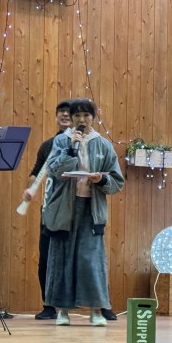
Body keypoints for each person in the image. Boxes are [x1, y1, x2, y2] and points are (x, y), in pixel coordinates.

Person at [43, 99, 124, 326]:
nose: (81, 120)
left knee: (91, 260)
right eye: (77, 115)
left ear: (93, 117)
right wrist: (70, 149)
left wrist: (101, 179)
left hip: (91, 208)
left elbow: (117, 181)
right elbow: (54, 170)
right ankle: (62, 311)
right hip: (64, 209)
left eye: (86, 115)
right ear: (71, 118)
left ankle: (96, 311)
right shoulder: (61, 140)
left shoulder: (103, 144)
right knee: (62, 258)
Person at [22, 100, 74, 320]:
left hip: (77, 209)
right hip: (51, 209)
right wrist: (31, 188)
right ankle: (49, 305)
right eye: (61, 112)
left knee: (84, 257)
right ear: (56, 116)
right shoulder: (48, 145)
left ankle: (99, 306)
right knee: (46, 257)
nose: (64, 115)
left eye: (68, 112)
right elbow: (35, 173)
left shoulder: (86, 143)